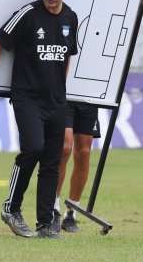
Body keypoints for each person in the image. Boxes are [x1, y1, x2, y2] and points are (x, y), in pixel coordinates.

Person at [0, 0, 79, 240]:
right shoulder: (28, 14)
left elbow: (67, 54)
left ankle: (46, 223)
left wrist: (60, 87)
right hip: (27, 98)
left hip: (57, 102)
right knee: (33, 148)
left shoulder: (71, 17)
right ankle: (11, 208)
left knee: (52, 159)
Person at [53, 100, 100, 233]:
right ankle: (53, 210)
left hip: (89, 98)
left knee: (84, 153)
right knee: (64, 148)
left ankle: (71, 214)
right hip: (65, 96)